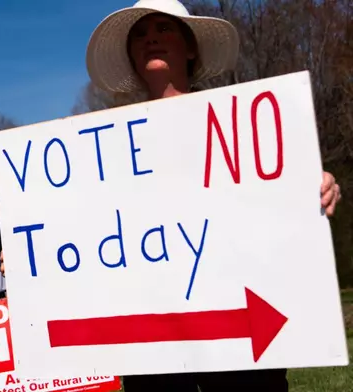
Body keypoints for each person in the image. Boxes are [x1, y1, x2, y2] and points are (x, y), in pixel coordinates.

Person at [83, 0, 343, 391]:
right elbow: (87, 230)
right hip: (156, 339)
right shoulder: (108, 151)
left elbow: (275, 206)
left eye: (163, 28)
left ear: (190, 47)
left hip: (239, 328)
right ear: (132, 57)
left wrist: (314, 186)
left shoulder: (242, 129)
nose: (151, 38)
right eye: (140, 34)